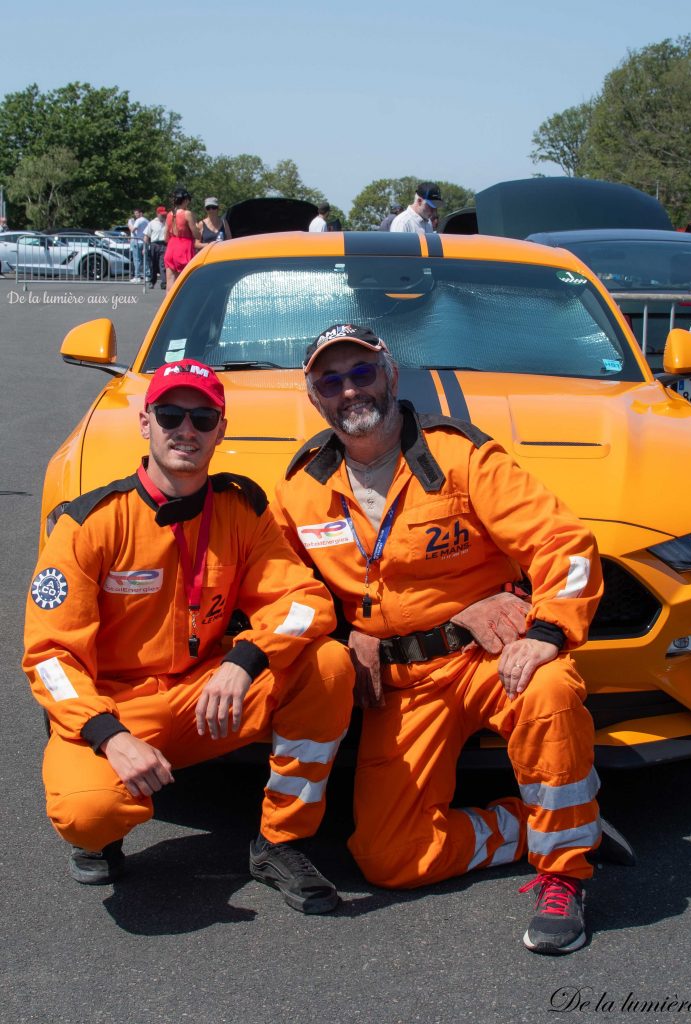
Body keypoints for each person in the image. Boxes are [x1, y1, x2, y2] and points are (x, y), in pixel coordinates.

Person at [272, 324, 604, 955]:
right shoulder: (299, 489)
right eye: (330, 381)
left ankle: (564, 874)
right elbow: (279, 588)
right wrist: (346, 633)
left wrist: (547, 630)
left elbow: (564, 542)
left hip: (485, 658)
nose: (349, 390)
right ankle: (534, 828)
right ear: (313, 396)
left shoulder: (462, 457)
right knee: (390, 860)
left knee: (551, 685)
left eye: (361, 373)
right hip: (400, 686)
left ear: (391, 374)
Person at [23, 358, 354, 913]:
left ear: (221, 430)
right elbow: (49, 657)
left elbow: (304, 601)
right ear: (146, 423)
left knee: (329, 664)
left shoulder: (241, 511)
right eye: (171, 414)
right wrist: (108, 734)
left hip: (208, 695)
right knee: (87, 813)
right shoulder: (91, 523)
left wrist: (247, 657)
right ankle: (101, 834)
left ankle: (281, 839)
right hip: (118, 705)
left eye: (203, 418)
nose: (187, 430)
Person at [164, 189, 201, 290]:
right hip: (184, 247)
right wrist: (199, 231)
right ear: (185, 200)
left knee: (170, 282)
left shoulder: (169, 214)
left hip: (171, 247)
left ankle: (169, 304)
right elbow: (196, 234)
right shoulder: (187, 214)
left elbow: (165, 237)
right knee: (185, 281)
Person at [145, 205, 168, 290]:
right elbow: (147, 236)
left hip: (164, 244)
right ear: (157, 214)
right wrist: (145, 247)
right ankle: (152, 281)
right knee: (153, 265)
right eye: (161, 214)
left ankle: (164, 282)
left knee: (163, 264)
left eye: (164, 214)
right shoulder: (151, 223)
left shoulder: (167, 223)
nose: (163, 216)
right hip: (154, 245)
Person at [127, 207, 149, 282]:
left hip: (137, 241)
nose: (135, 215)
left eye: (137, 213)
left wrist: (129, 224)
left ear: (141, 213)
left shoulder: (139, 220)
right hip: (144, 241)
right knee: (145, 259)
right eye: (135, 213)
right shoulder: (146, 220)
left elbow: (133, 230)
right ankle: (147, 275)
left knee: (137, 260)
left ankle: (137, 276)